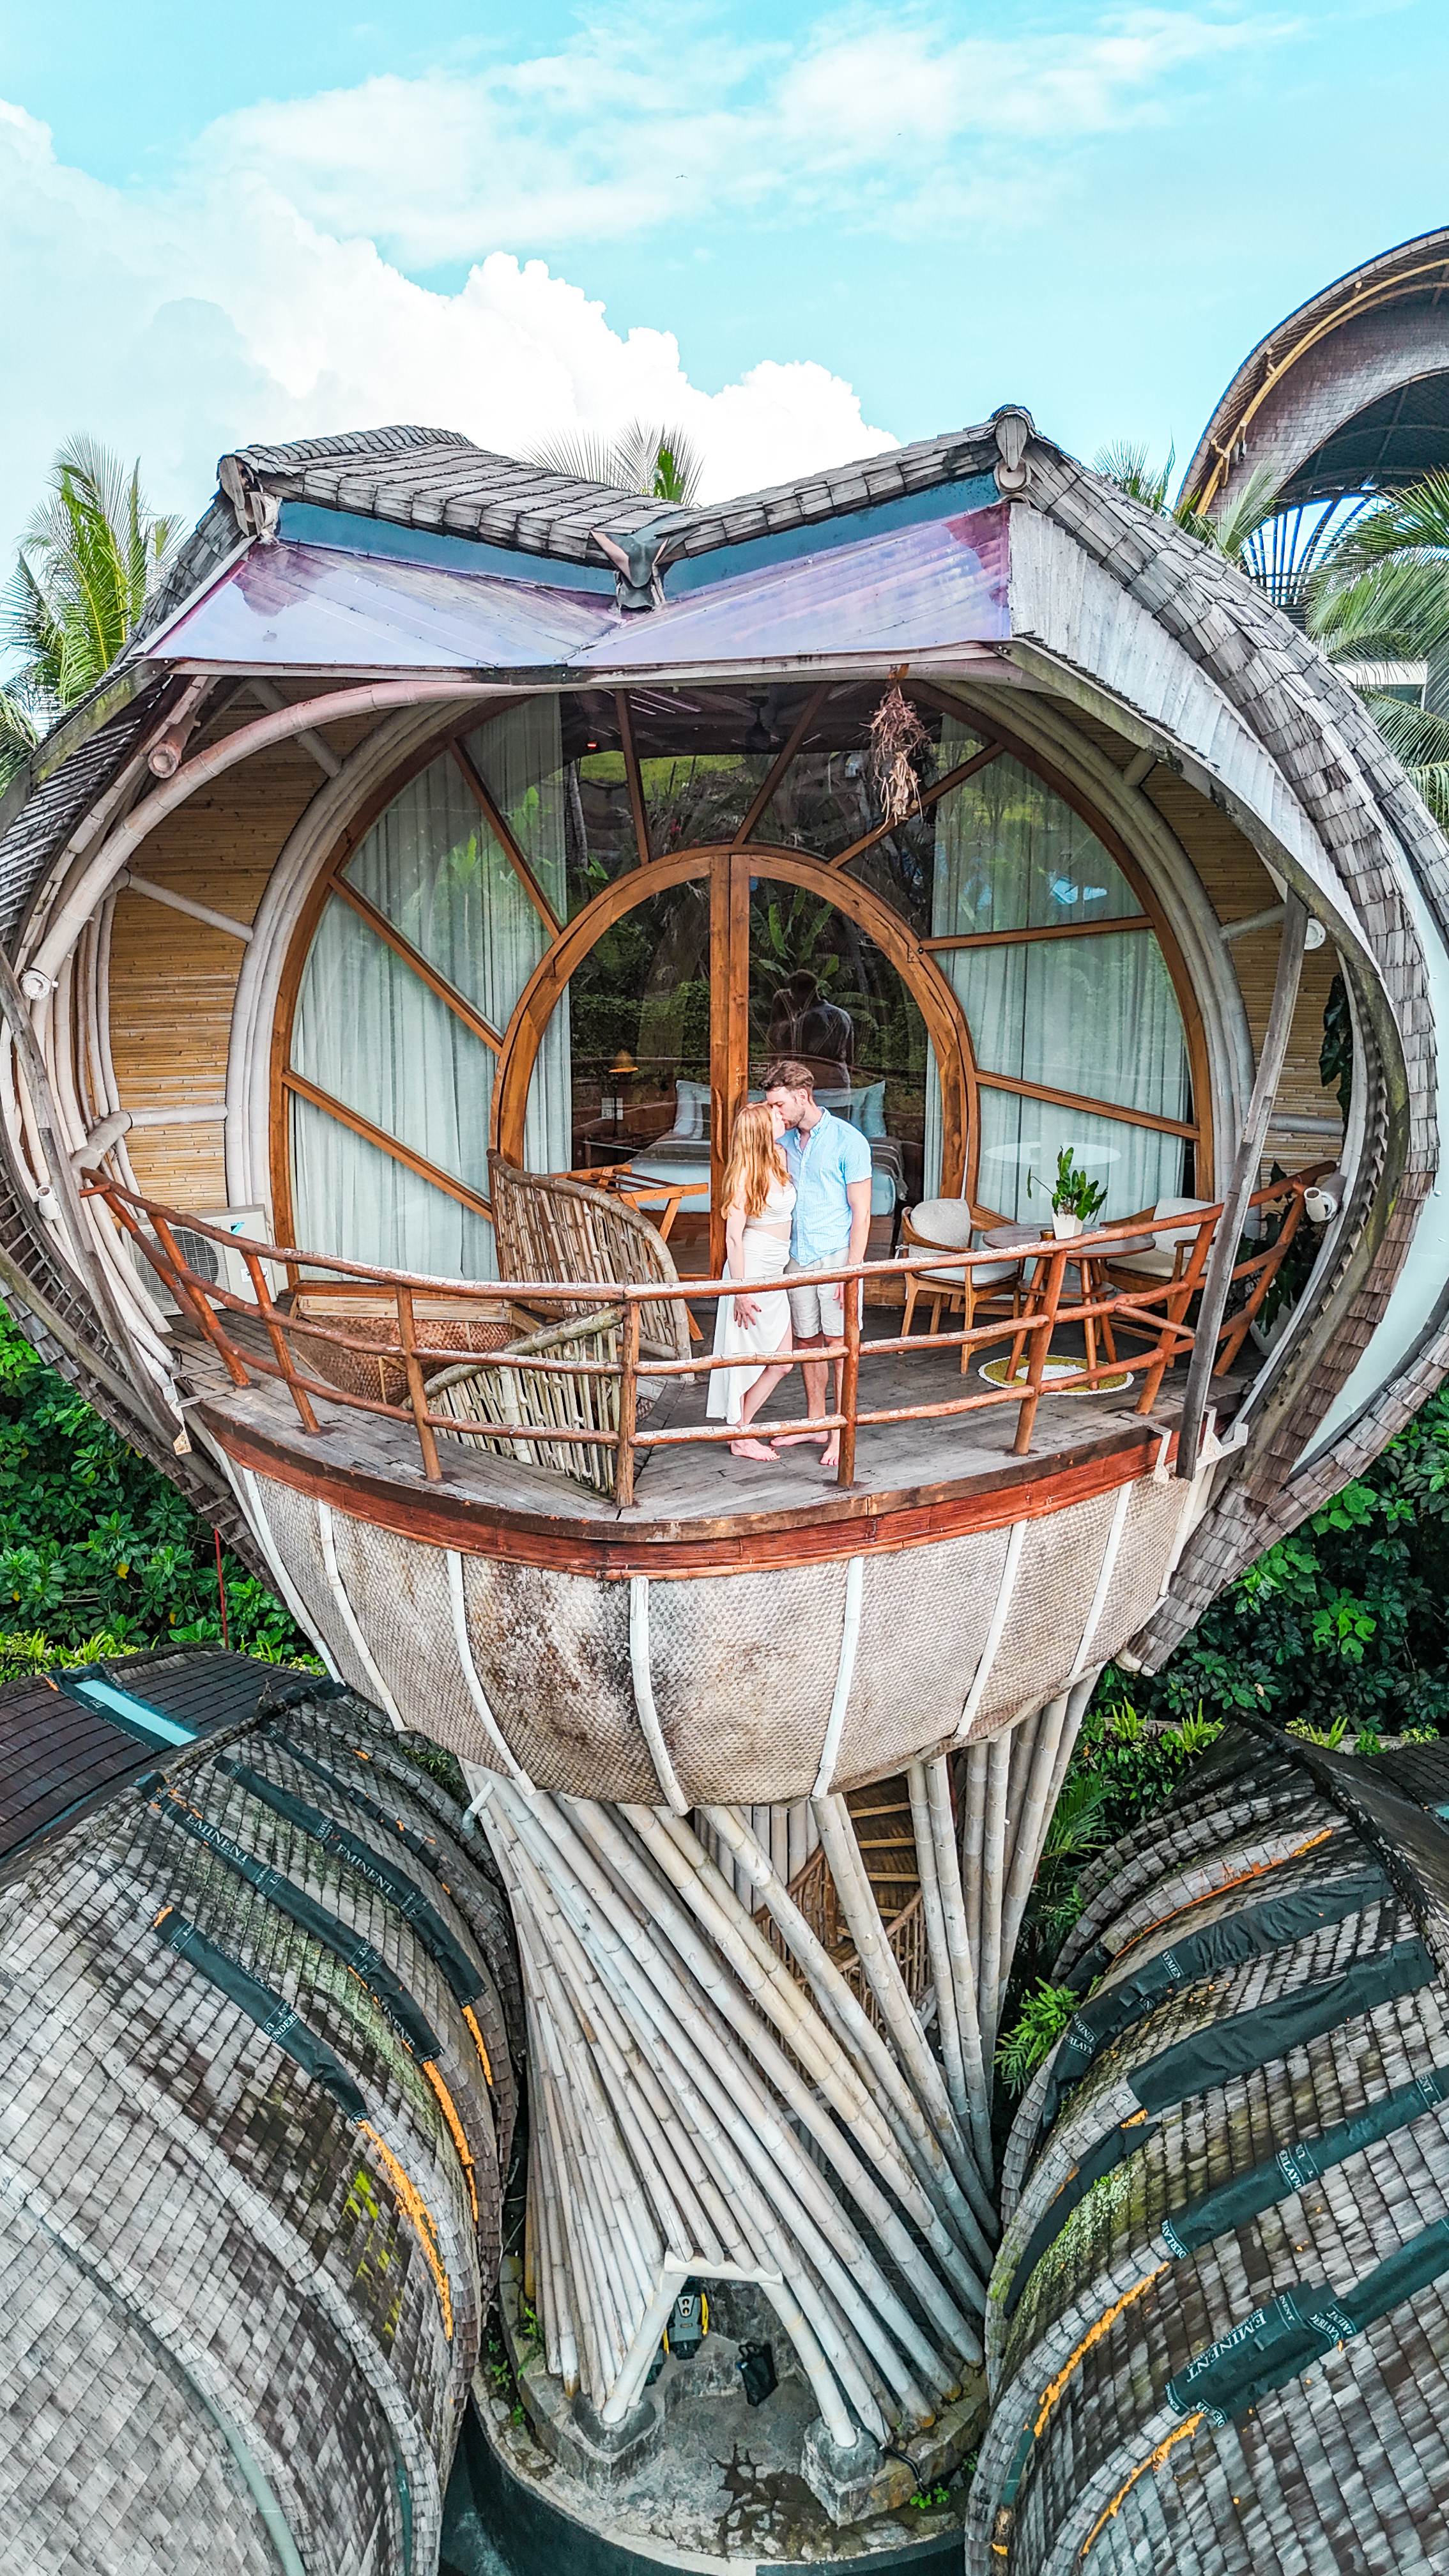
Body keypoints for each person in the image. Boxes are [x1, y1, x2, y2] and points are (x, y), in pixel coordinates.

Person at [763, 1058, 873, 1471]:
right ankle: (816, 1423)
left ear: (803, 1096)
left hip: (836, 1256)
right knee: (808, 1343)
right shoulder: (784, 1143)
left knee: (840, 1347)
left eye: (779, 1105)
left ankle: (841, 1429)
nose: (775, 1113)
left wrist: (852, 1271)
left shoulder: (849, 1141)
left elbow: (862, 1213)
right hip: (797, 1256)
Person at [705, 1100, 797, 1462]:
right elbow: (733, 1239)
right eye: (773, 1114)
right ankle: (741, 1435)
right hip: (752, 1270)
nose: (780, 1115)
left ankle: (740, 1428)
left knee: (783, 1360)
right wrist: (740, 1292)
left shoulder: (779, 1155)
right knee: (747, 1357)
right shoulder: (745, 1174)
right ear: (761, 1129)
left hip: (776, 1270)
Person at [765, 970, 855, 1095]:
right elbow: (850, 1057)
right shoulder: (843, 1015)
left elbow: (801, 1058)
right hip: (841, 1082)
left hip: (815, 1085)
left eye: (792, 993)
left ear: (798, 992)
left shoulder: (806, 1019)